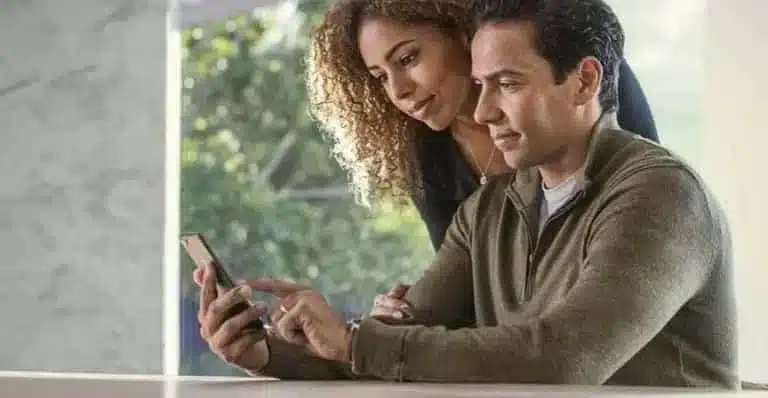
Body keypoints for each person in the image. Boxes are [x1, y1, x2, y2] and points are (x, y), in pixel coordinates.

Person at [193, 0, 738, 387]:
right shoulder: (489, 207)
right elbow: (391, 347)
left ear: (584, 82)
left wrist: (360, 342)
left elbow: (564, 360)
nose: (480, 113)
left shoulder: (663, 194)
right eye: (481, 86)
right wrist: (269, 352)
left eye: (508, 84)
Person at [304, 0, 658, 319]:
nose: (398, 91)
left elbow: (646, 205)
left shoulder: (582, 76)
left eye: (408, 59)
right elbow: (462, 288)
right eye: (380, 77)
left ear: (462, 32)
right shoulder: (426, 156)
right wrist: (405, 313)